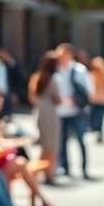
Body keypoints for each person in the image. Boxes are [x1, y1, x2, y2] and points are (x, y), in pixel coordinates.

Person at [54, 43, 94, 180]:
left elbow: (89, 90)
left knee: (81, 140)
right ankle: (64, 167)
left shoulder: (79, 70)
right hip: (60, 111)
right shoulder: (55, 70)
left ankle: (84, 168)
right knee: (62, 141)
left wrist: (76, 98)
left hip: (77, 111)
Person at [28, 51, 62, 184]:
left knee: (44, 144)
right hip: (50, 112)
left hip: (39, 110)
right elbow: (58, 98)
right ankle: (48, 173)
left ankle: (39, 172)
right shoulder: (53, 79)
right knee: (52, 145)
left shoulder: (36, 77)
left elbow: (32, 97)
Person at [88, 57, 104, 143]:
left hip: (99, 100)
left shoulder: (103, 75)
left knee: (98, 118)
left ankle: (98, 132)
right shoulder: (93, 75)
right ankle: (98, 132)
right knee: (97, 118)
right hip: (96, 100)